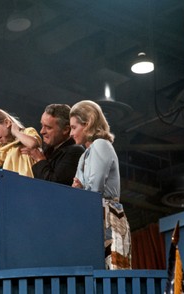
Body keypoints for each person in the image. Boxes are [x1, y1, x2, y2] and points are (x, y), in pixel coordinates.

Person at [69, 100, 131, 270]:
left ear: (87, 123)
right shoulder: (84, 155)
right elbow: (78, 189)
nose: (71, 133)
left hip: (109, 216)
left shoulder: (101, 145)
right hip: (93, 215)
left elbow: (94, 189)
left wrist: (81, 188)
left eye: (74, 127)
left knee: (115, 271)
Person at [20, 104, 85, 185]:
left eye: (48, 127)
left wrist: (39, 160)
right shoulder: (47, 150)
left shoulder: (75, 151)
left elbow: (55, 185)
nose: (42, 131)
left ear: (65, 129)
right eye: (42, 125)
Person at [0, 108, 42, 178]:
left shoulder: (27, 132)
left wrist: (16, 132)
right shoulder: (0, 146)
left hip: (32, 182)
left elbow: (32, 144)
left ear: (7, 123)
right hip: (11, 185)